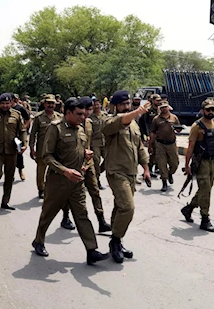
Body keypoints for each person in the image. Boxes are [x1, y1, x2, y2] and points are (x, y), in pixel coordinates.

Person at [31, 98, 110, 265]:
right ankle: (38, 240)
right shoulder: (55, 128)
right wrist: (65, 171)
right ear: (68, 113)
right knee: (48, 213)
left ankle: (91, 250)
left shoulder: (80, 129)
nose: (83, 117)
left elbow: (78, 149)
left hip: (77, 182)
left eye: (84, 113)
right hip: (58, 180)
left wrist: (85, 155)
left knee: (82, 215)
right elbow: (46, 156)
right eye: (79, 114)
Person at [102, 90, 151, 263]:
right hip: (116, 172)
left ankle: (117, 241)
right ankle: (115, 240)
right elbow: (119, 122)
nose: (126, 106)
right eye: (122, 104)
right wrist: (137, 112)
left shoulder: (134, 125)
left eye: (128, 103)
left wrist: (145, 169)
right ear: (115, 106)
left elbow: (139, 148)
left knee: (120, 207)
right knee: (128, 208)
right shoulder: (108, 121)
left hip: (131, 173)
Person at [62, 96, 111, 232]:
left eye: (90, 109)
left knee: (95, 191)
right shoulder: (67, 123)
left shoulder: (88, 122)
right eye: (86, 109)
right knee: (69, 193)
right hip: (72, 164)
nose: (88, 112)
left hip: (87, 163)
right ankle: (65, 217)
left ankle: (101, 220)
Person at [181, 99, 214, 232]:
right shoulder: (197, 126)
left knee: (205, 189)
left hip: (212, 161)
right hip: (201, 162)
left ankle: (188, 208)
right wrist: (187, 165)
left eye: (213, 109)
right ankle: (205, 219)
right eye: (208, 109)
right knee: (205, 189)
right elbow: (190, 147)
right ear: (203, 111)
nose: (211, 112)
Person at [29, 94, 63, 199]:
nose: (50, 105)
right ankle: (41, 189)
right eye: (48, 103)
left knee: (55, 170)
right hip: (42, 149)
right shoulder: (39, 117)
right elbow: (33, 133)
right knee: (41, 171)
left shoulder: (59, 117)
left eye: (52, 103)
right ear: (44, 104)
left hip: (56, 150)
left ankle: (52, 189)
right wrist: (31, 148)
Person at [149, 101, 180, 191]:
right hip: (160, 144)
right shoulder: (156, 119)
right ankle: (164, 182)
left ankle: (170, 173)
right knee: (161, 164)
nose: (164, 109)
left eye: (165, 107)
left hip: (171, 143)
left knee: (175, 163)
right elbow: (152, 132)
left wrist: (178, 129)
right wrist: (150, 145)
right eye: (162, 107)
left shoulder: (174, 117)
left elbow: (178, 128)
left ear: (168, 107)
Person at [140, 94, 162, 178]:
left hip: (159, 134)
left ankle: (156, 168)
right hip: (151, 134)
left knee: (159, 152)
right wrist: (146, 134)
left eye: (159, 100)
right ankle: (148, 169)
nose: (159, 102)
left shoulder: (161, 110)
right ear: (152, 101)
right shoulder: (148, 111)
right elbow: (143, 123)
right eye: (157, 100)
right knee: (153, 152)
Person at [11, 94, 31, 181]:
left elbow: (28, 118)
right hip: (8, 135)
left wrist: (24, 127)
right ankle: (10, 173)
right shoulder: (4, 109)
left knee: (19, 153)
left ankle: (20, 170)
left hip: (18, 135)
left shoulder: (20, 108)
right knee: (9, 156)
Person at [90, 97, 108, 189]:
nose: (96, 106)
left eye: (98, 104)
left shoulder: (105, 115)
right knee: (96, 161)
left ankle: (98, 172)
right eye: (94, 104)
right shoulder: (89, 117)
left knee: (109, 159)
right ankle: (96, 180)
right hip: (95, 142)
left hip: (105, 141)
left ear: (101, 105)